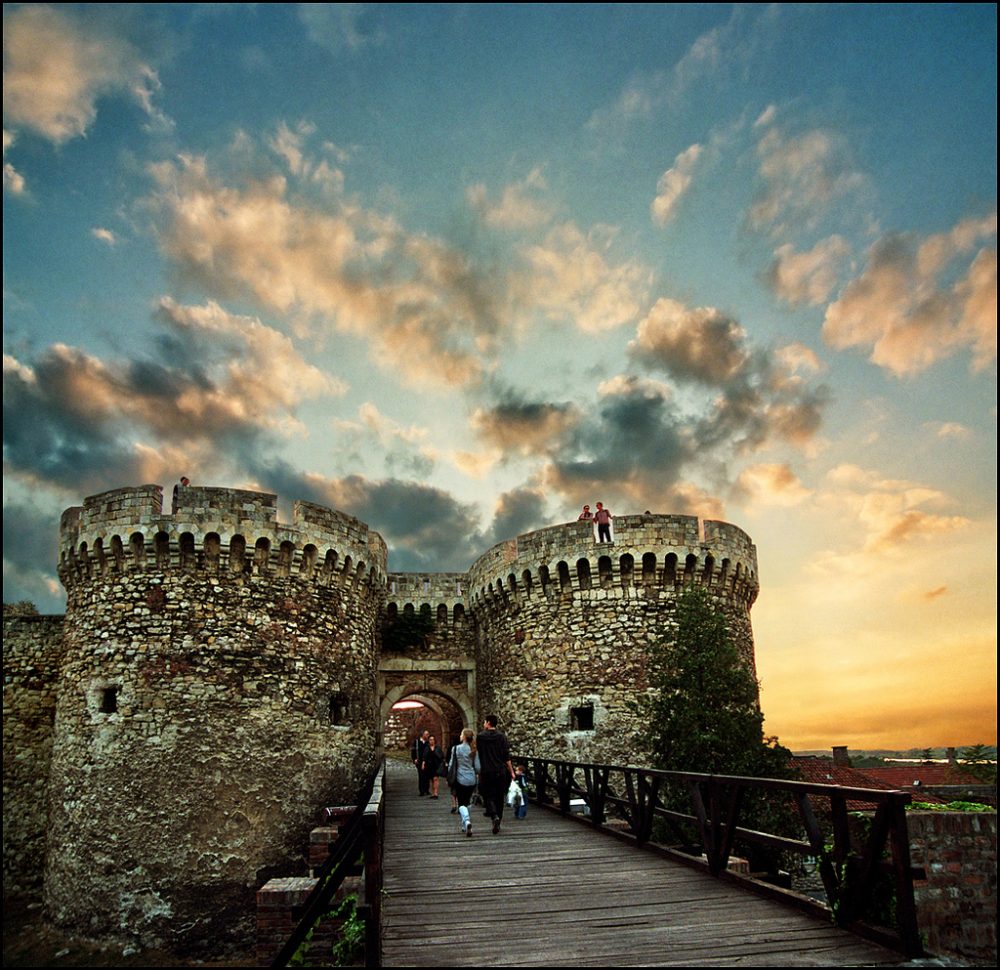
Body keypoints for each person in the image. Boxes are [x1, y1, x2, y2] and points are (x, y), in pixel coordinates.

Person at [477, 714, 514, 834]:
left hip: (487, 770)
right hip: (500, 770)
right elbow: (506, 755)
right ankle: (499, 818)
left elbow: (478, 753)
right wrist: (512, 771)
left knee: (487, 794)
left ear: (488, 723)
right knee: (499, 796)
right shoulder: (502, 737)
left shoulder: (481, 737)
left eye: (484, 722)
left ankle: (493, 816)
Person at [449, 728, 480, 837]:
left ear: (464, 737)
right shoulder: (474, 750)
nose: (460, 735)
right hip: (471, 779)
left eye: (461, 734)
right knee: (468, 802)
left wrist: (449, 776)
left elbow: (451, 764)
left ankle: (466, 821)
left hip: (460, 778)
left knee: (461, 803)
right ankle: (464, 826)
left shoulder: (456, 749)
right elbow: (477, 768)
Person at [411, 730, 430, 795]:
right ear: (423, 735)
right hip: (419, 761)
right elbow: (413, 751)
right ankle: (421, 790)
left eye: (428, 734)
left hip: (427, 761)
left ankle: (426, 789)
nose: (428, 736)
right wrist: (414, 759)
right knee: (421, 775)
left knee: (427, 775)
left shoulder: (428, 742)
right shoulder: (416, 742)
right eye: (426, 734)